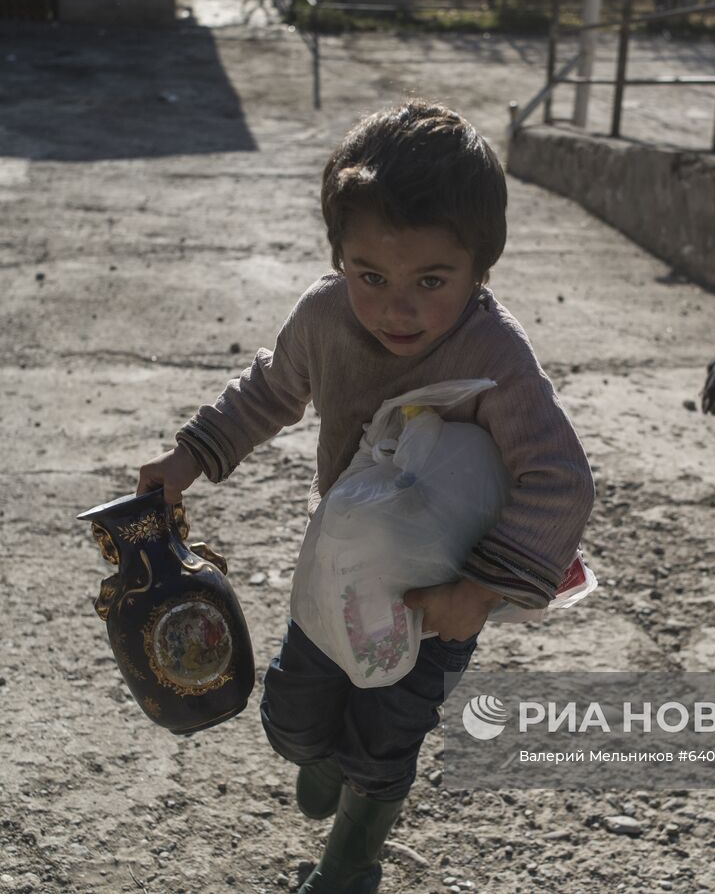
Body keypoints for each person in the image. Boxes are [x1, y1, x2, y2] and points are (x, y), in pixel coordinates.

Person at [137, 100, 594, 894]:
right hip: (338, 573)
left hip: (434, 600)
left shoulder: (494, 354)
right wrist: (187, 458)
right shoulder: (324, 317)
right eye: (370, 276)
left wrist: (478, 593)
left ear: (480, 268)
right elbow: (269, 390)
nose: (397, 308)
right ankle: (322, 760)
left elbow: (560, 476)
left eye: (432, 280)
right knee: (290, 721)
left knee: (386, 742)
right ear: (339, 257)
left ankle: (355, 857)